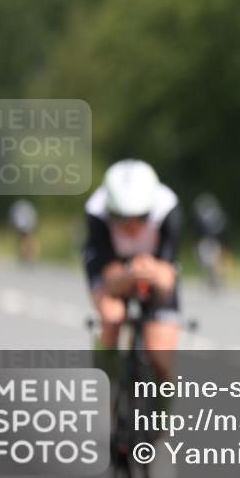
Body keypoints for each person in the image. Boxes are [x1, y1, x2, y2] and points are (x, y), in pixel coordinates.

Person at [83, 159, 182, 385]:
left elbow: (167, 278)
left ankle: (161, 406)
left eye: (142, 217)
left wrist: (153, 273)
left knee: (161, 356)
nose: (133, 226)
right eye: (122, 218)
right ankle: (103, 384)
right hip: (114, 268)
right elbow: (110, 278)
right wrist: (128, 275)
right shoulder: (96, 211)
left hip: (155, 265)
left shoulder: (168, 207)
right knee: (112, 316)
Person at [8, 198, 40, 264]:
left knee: (25, 240)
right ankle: (27, 256)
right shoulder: (25, 208)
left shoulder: (22, 208)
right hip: (26, 223)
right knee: (27, 240)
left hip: (24, 223)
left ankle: (28, 256)